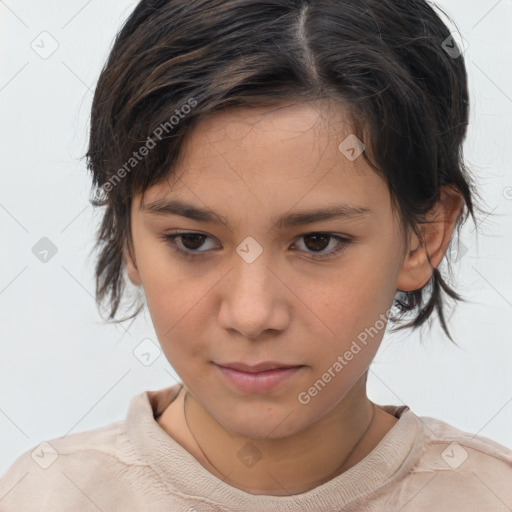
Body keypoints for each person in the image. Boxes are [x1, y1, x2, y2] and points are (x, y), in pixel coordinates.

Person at [1, 0, 511, 510]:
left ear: (424, 235)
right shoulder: (48, 496)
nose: (251, 315)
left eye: (317, 242)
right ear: (128, 234)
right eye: (192, 240)